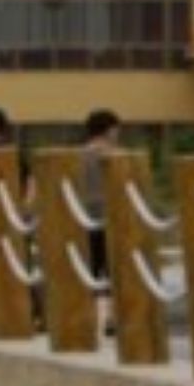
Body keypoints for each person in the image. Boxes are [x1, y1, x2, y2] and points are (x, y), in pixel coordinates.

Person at [75, 109, 125, 286]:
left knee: (89, 274)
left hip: (84, 217)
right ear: (110, 130)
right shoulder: (117, 156)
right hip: (112, 218)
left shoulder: (78, 156)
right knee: (118, 275)